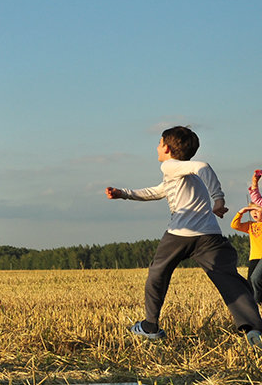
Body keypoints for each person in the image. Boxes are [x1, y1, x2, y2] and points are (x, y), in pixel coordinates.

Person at [105, 126, 262, 345]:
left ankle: (150, 325)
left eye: (159, 144)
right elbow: (158, 191)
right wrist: (125, 194)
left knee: (157, 274)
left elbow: (203, 165)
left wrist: (218, 198)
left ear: (167, 148)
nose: (157, 148)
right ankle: (254, 329)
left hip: (179, 234)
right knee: (230, 279)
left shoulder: (170, 166)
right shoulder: (182, 174)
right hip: (210, 236)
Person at [230, 168, 262, 303]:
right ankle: (255, 307)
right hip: (254, 257)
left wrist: (255, 184)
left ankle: (257, 305)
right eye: (252, 211)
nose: (254, 213)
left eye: (258, 210)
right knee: (251, 283)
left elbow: (256, 197)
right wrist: (242, 211)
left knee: (256, 279)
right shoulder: (250, 225)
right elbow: (235, 225)